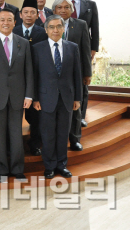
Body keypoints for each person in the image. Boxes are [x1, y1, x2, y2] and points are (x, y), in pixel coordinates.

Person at [0, 8, 33, 182]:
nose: (5, 23)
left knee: (16, 134)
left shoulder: (23, 43)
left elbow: (29, 71)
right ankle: (1, 170)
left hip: (18, 96)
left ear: (14, 22)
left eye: (9, 19)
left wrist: (29, 95)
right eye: (2, 19)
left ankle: (18, 169)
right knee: (0, 135)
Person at [32, 15, 82, 179]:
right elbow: (34, 76)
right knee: (48, 134)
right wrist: (35, 99)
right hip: (45, 98)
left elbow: (77, 75)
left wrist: (77, 99)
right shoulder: (37, 48)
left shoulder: (72, 47)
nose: (55, 30)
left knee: (63, 134)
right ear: (46, 30)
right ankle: (49, 166)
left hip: (67, 99)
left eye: (58, 26)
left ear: (63, 28)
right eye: (51, 27)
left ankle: (62, 165)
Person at [52, 0, 92, 152]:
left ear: (72, 9)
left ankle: (75, 139)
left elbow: (85, 51)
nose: (63, 10)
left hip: (74, 74)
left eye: (67, 7)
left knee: (75, 107)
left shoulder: (81, 25)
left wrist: (87, 73)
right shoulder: (48, 24)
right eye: (59, 7)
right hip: (54, 74)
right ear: (54, 10)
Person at [13, 0, 48, 156]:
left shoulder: (43, 32)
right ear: (20, 15)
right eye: (25, 12)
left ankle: (35, 144)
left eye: (32, 12)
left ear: (37, 15)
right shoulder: (13, 31)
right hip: (16, 81)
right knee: (15, 116)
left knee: (36, 117)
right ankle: (14, 146)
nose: (28, 15)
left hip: (36, 79)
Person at [64, 0, 99, 126]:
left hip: (83, 48)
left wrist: (94, 48)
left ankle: (81, 116)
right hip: (65, 50)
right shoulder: (61, 4)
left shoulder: (90, 5)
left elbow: (95, 29)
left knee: (83, 83)